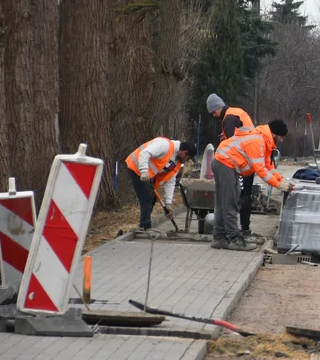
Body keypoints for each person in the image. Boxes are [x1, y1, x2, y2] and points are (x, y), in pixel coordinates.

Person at [212, 119, 293, 250]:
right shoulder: (257, 141)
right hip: (225, 164)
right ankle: (234, 239)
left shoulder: (264, 141)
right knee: (230, 202)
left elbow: (268, 166)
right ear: (274, 134)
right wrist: (278, 186)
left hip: (224, 163)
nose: (282, 140)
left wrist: (281, 180)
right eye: (281, 137)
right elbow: (260, 170)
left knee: (223, 202)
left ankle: (219, 238)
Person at [206, 93, 259, 235]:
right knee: (244, 194)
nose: (213, 115)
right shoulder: (236, 113)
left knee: (237, 196)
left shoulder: (229, 118)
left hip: (241, 163)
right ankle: (244, 228)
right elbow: (241, 133)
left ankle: (238, 230)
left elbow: (233, 145)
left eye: (213, 112)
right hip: (249, 159)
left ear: (217, 108)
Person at [125, 137, 197, 231]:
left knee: (152, 198)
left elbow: (170, 182)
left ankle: (143, 225)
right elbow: (144, 153)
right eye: (188, 158)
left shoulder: (176, 163)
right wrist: (144, 171)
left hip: (147, 175)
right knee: (147, 196)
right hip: (136, 167)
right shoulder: (164, 145)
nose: (187, 161)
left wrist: (168, 204)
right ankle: (145, 226)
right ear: (184, 152)